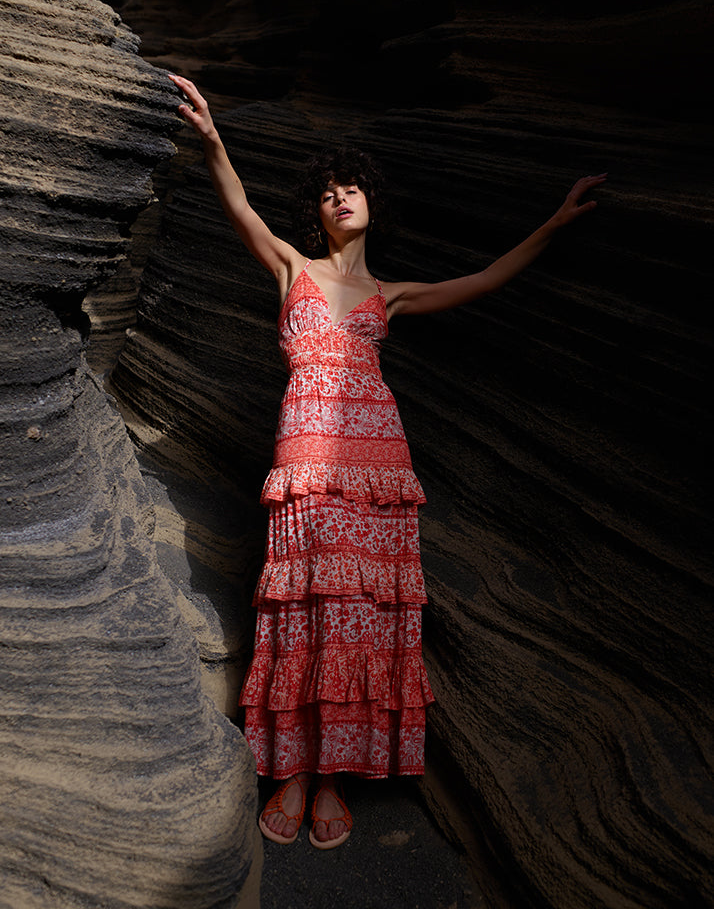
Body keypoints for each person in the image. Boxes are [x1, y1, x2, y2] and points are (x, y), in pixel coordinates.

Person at [169, 73, 606, 850]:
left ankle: (330, 774)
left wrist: (553, 225)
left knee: (357, 616)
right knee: (303, 608)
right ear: (317, 208)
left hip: (377, 469)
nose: (342, 197)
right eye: (330, 191)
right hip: (308, 460)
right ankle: (295, 770)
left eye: (354, 188)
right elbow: (237, 204)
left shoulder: (391, 295)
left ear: (371, 203)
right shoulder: (291, 269)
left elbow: (483, 280)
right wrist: (213, 142)